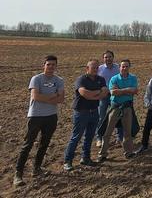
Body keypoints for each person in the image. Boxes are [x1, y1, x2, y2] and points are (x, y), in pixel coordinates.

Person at [14, 55, 64, 187]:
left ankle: (37, 168)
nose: (51, 67)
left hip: (51, 116)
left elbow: (61, 99)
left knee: (44, 143)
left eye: (53, 65)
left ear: (56, 66)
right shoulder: (36, 79)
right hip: (35, 116)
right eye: (48, 64)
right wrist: (53, 95)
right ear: (44, 65)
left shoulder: (59, 80)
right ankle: (18, 174)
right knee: (28, 144)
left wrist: (47, 97)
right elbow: (35, 96)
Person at [63, 59, 108, 171]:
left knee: (89, 136)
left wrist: (94, 95)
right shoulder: (81, 79)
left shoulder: (100, 79)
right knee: (76, 137)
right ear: (87, 69)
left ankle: (85, 158)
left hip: (94, 112)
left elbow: (105, 92)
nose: (95, 70)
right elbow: (84, 93)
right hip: (81, 112)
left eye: (97, 68)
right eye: (93, 68)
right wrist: (97, 94)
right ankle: (67, 161)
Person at [98, 59, 138, 161]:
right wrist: (127, 90)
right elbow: (113, 92)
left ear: (129, 67)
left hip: (127, 108)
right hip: (115, 108)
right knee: (108, 131)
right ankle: (103, 153)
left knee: (127, 132)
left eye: (126, 66)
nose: (124, 68)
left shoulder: (133, 78)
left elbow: (134, 91)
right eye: (122, 66)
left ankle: (128, 152)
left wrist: (121, 90)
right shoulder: (114, 78)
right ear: (119, 67)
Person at [96, 50, 121, 146]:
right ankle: (99, 137)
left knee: (117, 116)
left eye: (110, 57)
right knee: (101, 117)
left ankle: (119, 137)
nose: (108, 59)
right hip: (103, 96)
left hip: (115, 95)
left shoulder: (118, 67)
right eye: (106, 57)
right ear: (103, 59)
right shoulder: (100, 69)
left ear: (113, 58)